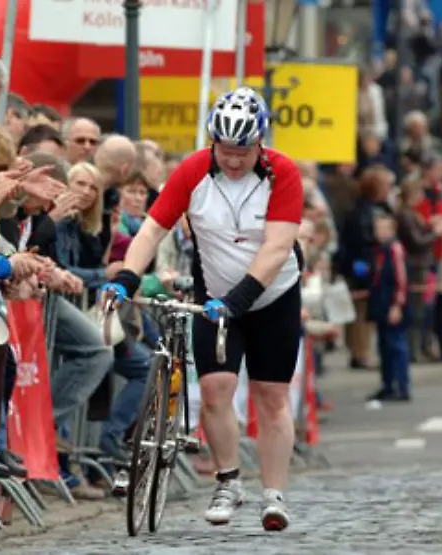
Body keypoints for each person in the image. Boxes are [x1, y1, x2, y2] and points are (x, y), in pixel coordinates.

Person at [100, 87, 303, 531]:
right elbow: (152, 230)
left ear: (259, 143)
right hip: (214, 295)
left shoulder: (281, 172)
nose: (232, 160)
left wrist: (239, 301)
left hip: (272, 296)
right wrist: (126, 278)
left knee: (271, 397)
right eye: (225, 150)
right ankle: (228, 480)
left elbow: (277, 247)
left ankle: (274, 495)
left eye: (243, 152)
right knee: (215, 389)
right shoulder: (194, 170)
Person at [367, 212, 411, 401]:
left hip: (392, 303)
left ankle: (401, 385)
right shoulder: (379, 250)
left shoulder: (394, 249)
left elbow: (401, 279)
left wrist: (397, 305)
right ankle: (387, 385)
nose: (380, 232)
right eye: (378, 229)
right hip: (381, 302)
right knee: (383, 345)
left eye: (384, 228)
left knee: (396, 345)